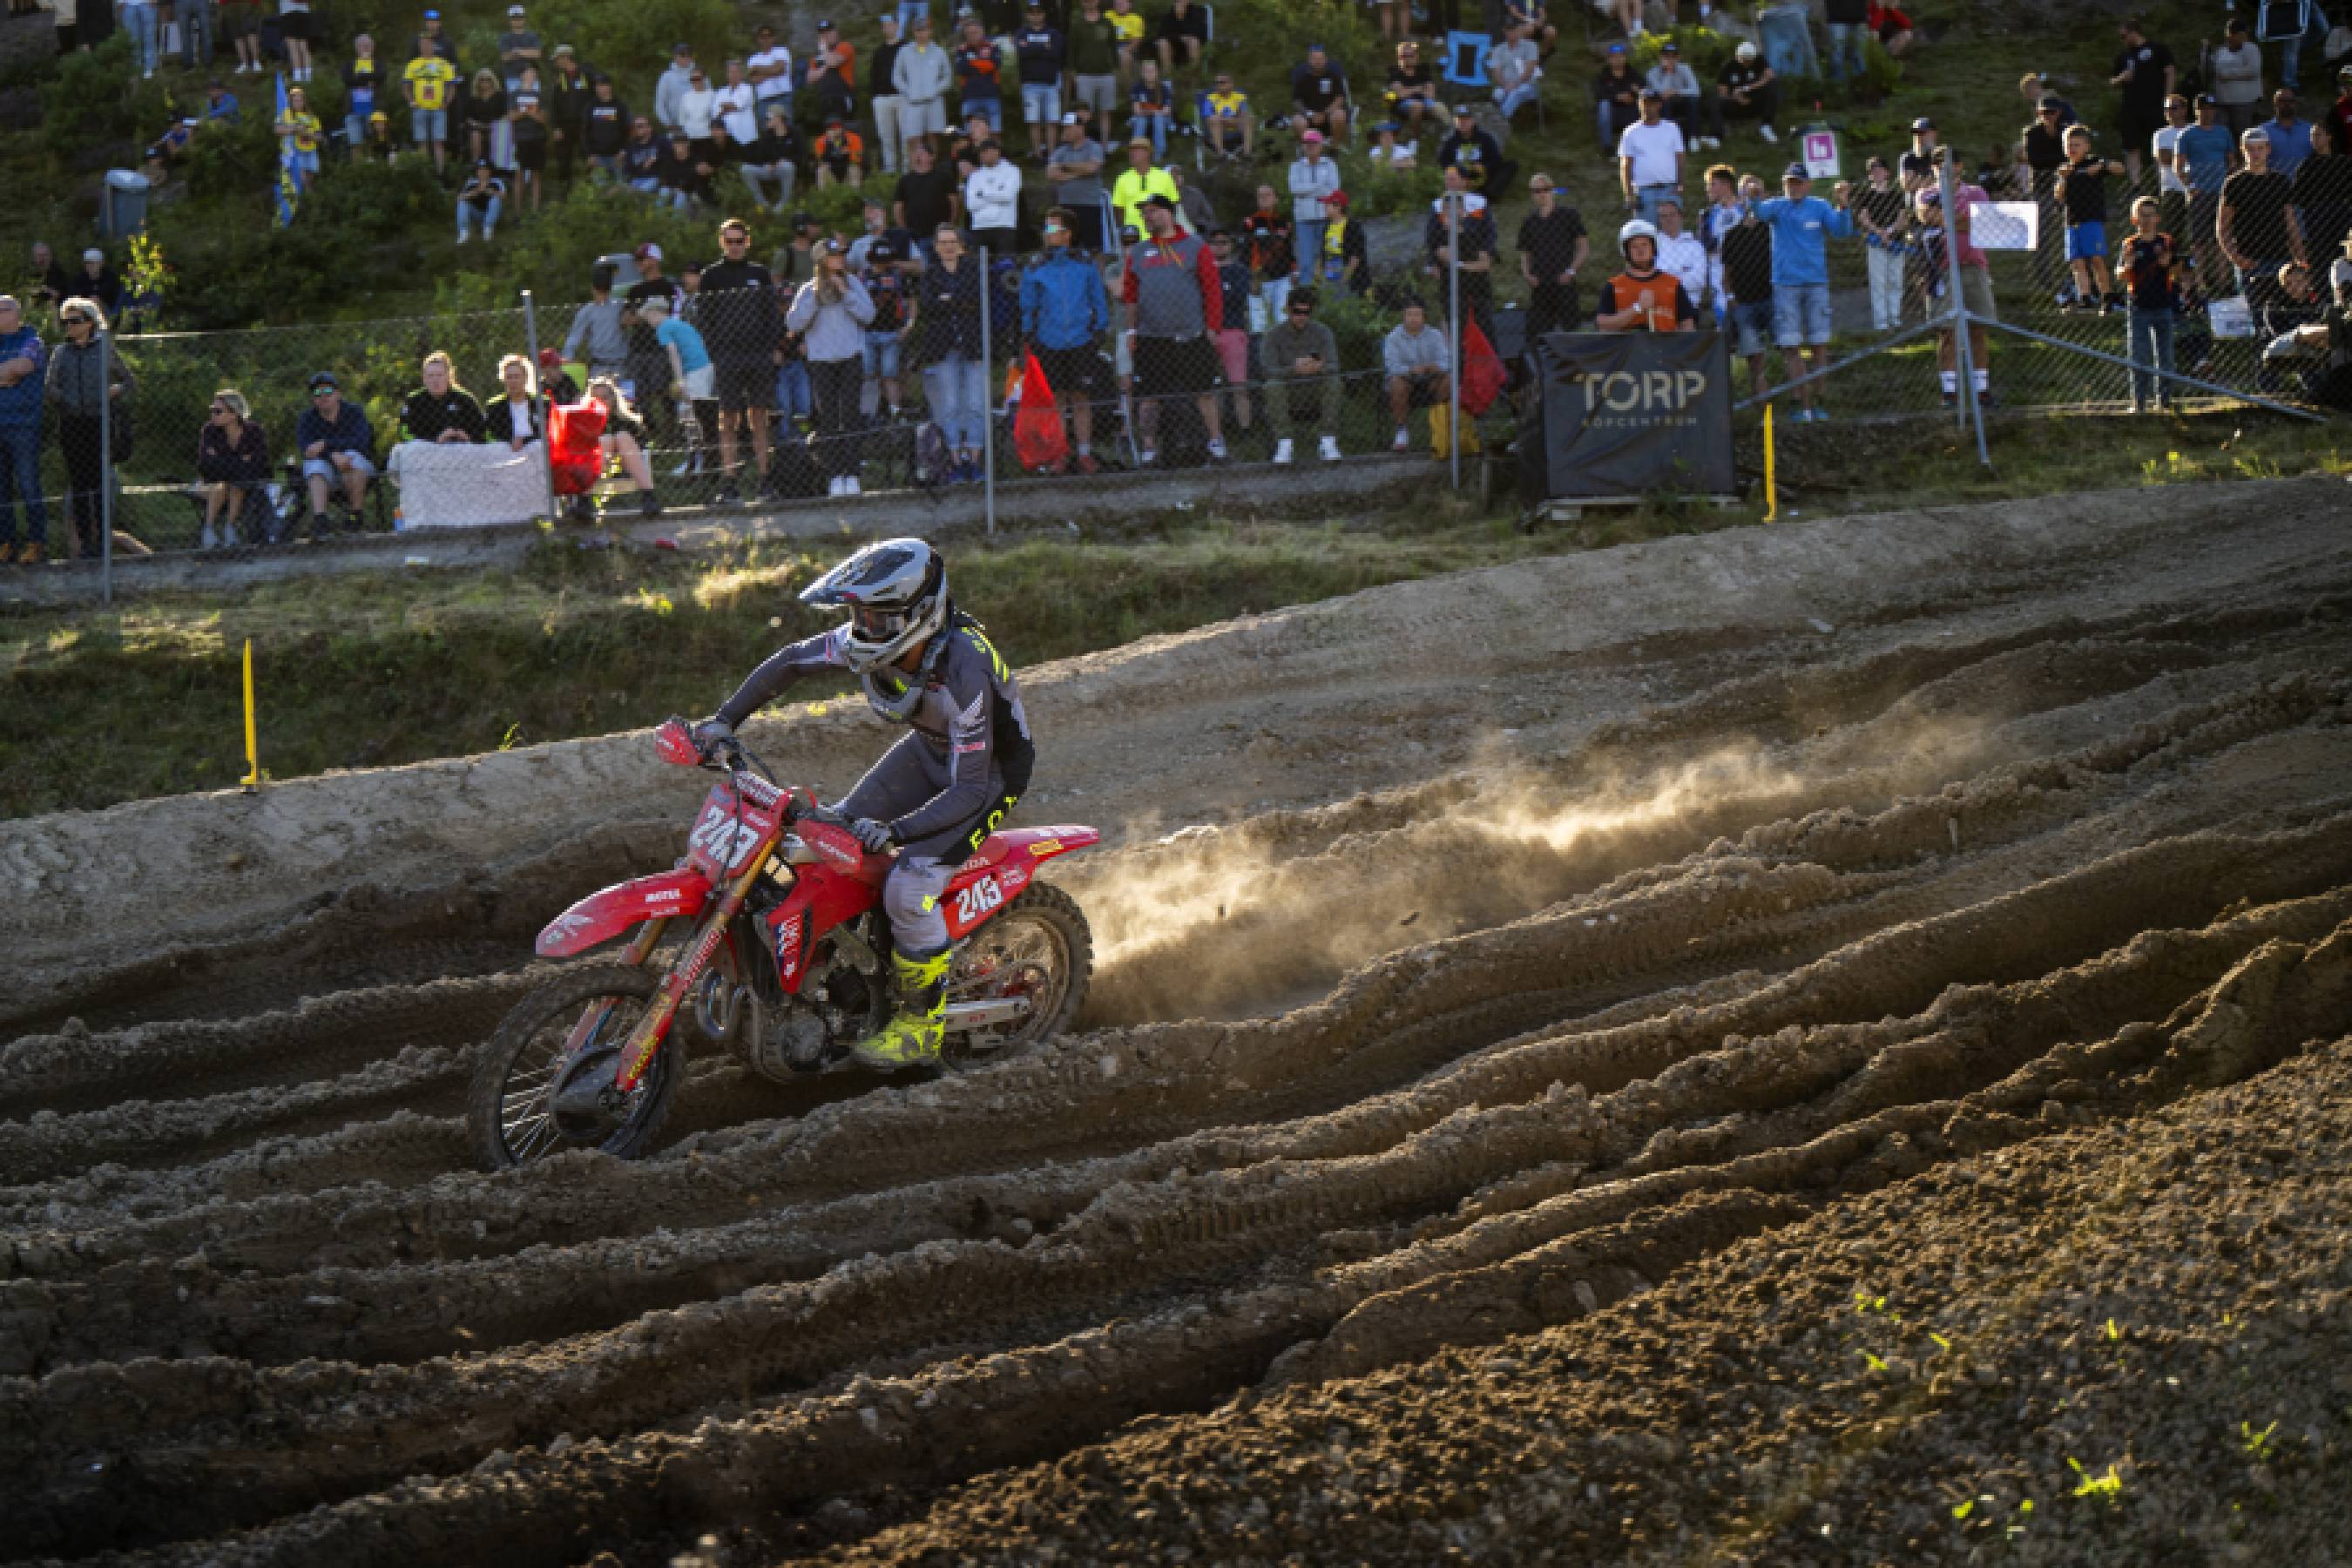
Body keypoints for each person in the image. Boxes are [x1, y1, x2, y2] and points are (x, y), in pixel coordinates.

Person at [693, 538, 1033, 1068]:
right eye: (858, 615)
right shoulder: (876, 638)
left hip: (988, 776)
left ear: (917, 615)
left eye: (877, 618)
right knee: (836, 841)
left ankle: (921, 1026)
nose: (863, 628)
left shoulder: (965, 670)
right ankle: (854, 974)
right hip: (930, 750)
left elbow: (968, 790)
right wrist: (723, 720)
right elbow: (790, 663)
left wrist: (897, 832)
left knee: (908, 885)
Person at [1123, 193, 1227, 465]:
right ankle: (1149, 449)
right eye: (1144, 212)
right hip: (1150, 337)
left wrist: (1213, 326)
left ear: (1170, 213)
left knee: (1204, 391)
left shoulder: (1195, 247)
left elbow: (1212, 289)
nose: (1148, 216)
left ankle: (1216, 443)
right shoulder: (1138, 252)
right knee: (1149, 397)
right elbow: (1131, 296)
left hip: (1191, 334)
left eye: (1153, 211)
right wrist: (1131, 332)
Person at [1750, 164, 1856, 421]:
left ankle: (1819, 400)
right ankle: (1800, 401)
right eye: (1789, 183)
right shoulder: (1777, 206)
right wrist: (1754, 195)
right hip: (1785, 285)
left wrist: (1843, 206)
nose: (1794, 187)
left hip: (1816, 284)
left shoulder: (1819, 206)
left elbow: (1842, 231)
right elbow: (1759, 212)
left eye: (1798, 182)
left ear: (1808, 185)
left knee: (1818, 343)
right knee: (1790, 345)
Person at [1022, 207, 1112, 471]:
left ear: (1067, 233)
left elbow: (1098, 298)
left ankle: (1085, 452)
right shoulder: (1036, 266)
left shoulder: (1085, 264)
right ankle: (1059, 452)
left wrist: (1099, 329)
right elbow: (1029, 303)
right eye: (1046, 228)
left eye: (1052, 228)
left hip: (1081, 338)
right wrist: (1030, 333)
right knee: (1058, 399)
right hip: (1049, 340)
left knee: (1081, 396)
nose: (1046, 234)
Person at [700, 217, 785, 497]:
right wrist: (715, 351)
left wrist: (775, 347)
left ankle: (765, 478)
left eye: (739, 241)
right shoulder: (710, 276)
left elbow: (772, 312)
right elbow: (705, 318)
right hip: (727, 356)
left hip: (758, 355)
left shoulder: (759, 273)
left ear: (747, 242)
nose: (735, 246)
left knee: (759, 417)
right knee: (728, 420)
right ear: (722, 242)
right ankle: (729, 482)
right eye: (729, 241)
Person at [786, 240, 875, 497]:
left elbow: (869, 315)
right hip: (821, 361)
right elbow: (793, 322)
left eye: (842, 255)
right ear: (822, 260)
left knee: (850, 415)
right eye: (835, 256)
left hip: (850, 358)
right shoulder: (808, 289)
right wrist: (814, 299)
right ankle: (836, 474)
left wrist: (845, 293)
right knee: (828, 417)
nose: (840, 260)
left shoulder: (853, 283)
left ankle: (852, 473)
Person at [43, 300, 131, 559]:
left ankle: (103, 540)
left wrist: (113, 392)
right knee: (79, 485)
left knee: (100, 484)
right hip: (71, 424)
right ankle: (86, 545)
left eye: (75, 320)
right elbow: (50, 387)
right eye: (66, 321)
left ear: (90, 322)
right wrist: (69, 401)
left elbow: (128, 381)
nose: (69, 326)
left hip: (99, 422)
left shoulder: (104, 350)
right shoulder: (61, 352)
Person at [914, 227, 987, 483]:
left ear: (960, 245)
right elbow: (929, 307)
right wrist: (957, 302)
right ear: (935, 246)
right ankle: (956, 461)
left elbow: (979, 302)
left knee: (977, 404)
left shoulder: (974, 270)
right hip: (944, 347)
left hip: (973, 345)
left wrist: (948, 300)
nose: (948, 247)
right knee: (951, 405)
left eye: (952, 242)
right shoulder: (930, 274)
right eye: (943, 242)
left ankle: (975, 461)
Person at [2220, 127, 2308, 312]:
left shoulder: (2281, 180)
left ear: (2268, 149)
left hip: (2281, 258)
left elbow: (2290, 221)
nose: (2255, 153)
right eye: (2250, 149)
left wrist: (2300, 255)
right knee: (2255, 314)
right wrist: (2236, 257)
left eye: (2260, 148)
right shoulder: (2234, 183)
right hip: (2250, 259)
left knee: (2284, 311)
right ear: (2243, 151)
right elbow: (2223, 227)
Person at [1254, 285, 1341, 465]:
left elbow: (1334, 365)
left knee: (1334, 382)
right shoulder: (1273, 335)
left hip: (1315, 388)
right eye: (1297, 312)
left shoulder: (1323, 332)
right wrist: (1294, 369)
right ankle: (1285, 442)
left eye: (1306, 312)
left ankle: (1328, 440)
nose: (1301, 317)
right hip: (1288, 391)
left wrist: (1317, 368)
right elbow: (1267, 370)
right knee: (1272, 386)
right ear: (1288, 309)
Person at [2113, 195, 2180, 413]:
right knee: (2139, 355)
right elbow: (2120, 274)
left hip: (2163, 304)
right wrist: (2128, 266)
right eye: (2142, 215)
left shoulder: (2166, 242)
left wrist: (2169, 265)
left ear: (2158, 218)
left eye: (2151, 215)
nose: (2147, 219)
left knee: (2166, 356)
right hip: (2139, 305)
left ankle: (2164, 401)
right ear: (2134, 219)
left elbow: (2178, 269)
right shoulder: (2130, 244)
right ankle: (2139, 402)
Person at [2056, 127, 2128, 312]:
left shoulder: (2093, 162)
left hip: (2091, 220)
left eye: (2077, 145)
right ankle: (2085, 296)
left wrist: (2102, 165)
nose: (2072, 149)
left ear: (2086, 146)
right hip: (2072, 221)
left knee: (2096, 259)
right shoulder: (2065, 169)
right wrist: (2064, 179)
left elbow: (2120, 169)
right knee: (2077, 262)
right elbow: (2058, 195)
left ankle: (2107, 295)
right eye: (2069, 145)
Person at [2175, 93, 2240, 293]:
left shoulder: (2223, 133)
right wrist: (2191, 186)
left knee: (2222, 236)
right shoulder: (2187, 134)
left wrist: (2231, 182)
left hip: (2222, 192)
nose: (2208, 112)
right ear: (2197, 110)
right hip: (2200, 193)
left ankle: (2223, 281)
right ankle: (2202, 281)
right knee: (2200, 240)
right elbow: (2179, 165)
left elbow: (2231, 159)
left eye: (2211, 109)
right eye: (2204, 108)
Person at [294, 368, 373, 531]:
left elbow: (361, 442)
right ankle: (320, 520)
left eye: (328, 391)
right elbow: (306, 449)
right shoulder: (306, 419)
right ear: (313, 399)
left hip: (355, 470)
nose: (323, 396)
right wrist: (332, 454)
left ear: (338, 394)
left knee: (353, 457)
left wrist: (325, 444)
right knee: (315, 466)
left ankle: (355, 516)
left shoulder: (354, 412)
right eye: (317, 393)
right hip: (326, 471)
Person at [0, 296, 47, 565]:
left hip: (23, 426)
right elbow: (11, 373)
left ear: (14, 314)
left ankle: (36, 543)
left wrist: (12, 373)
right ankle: (6, 543)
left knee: (28, 486)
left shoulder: (32, 340)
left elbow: (22, 367)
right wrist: (6, 376)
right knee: (1, 490)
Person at [1720, 176, 1775, 396]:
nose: (1751, 198)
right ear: (1739, 199)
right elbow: (1726, 273)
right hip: (1744, 302)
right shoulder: (1732, 235)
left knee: (1788, 349)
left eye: (1757, 193)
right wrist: (1731, 297)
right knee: (1755, 358)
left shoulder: (1773, 231)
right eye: (1747, 194)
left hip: (1772, 299)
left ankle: (1796, 403)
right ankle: (1763, 407)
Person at [194, 389, 270, 551]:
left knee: (237, 484)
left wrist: (222, 461)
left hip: (240, 483)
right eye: (212, 410)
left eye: (218, 411)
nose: (213, 415)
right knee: (222, 485)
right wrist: (240, 461)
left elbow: (260, 463)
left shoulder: (253, 431)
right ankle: (208, 530)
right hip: (208, 483)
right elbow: (206, 465)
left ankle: (230, 529)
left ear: (234, 414)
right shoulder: (209, 431)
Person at [1427, 170, 1497, 340]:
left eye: (1452, 179)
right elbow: (1439, 250)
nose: (1448, 182)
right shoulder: (1437, 221)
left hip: (1478, 287)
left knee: (1484, 328)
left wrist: (1460, 264)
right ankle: (1459, 364)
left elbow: (1485, 260)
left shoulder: (1479, 207)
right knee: (1457, 331)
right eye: (1446, 179)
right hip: (1451, 287)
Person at [1517, 173, 1589, 336]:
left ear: (1552, 191)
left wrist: (1571, 271)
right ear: (1532, 195)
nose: (1542, 194)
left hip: (1564, 282)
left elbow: (1583, 247)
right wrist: (1527, 274)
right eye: (1537, 191)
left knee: (1573, 332)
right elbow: (1525, 252)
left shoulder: (1569, 216)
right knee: (1536, 334)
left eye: (1545, 189)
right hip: (1540, 284)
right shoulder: (1529, 221)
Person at [1594, 219, 1697, 332]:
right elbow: (1603, 326)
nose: (1640, 250)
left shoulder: (1673, 284)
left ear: (1653, 248)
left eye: (1644, 244)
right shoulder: (1614, 286)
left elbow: (1687, 325)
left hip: (1665, 348)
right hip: (1627, 349)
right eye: (1634, 246)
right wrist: (1637, 308)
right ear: (1626, 252)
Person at [578, 379, 663, 516]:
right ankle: (583, 500)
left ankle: (649, 497)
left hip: (627, 465)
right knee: (606, 440)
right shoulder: (583, 422)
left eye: (605, 398)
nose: (601, 402)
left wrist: (617, 443)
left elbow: (641, 445)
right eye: (596, 398)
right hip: (597, 465)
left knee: (622, 436)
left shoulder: (628, 421)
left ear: (614, 399)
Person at [2112, 17, 2176, 188]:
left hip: (2155, 105)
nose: (2123, 40)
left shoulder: (2157, 49)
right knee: (2132, 146)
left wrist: (2168, 97)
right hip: (2131, 107)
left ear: (2134, 32)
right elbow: (2112, 81)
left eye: (2124, 36)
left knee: (2158, 144)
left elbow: (2170, 71)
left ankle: (2162, 183)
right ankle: (2136, 185)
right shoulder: (2123, 56)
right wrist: (2121, 78)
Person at [1382, 298, 1450, 451]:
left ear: (1424, 317)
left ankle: (1440, 429)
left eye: (1417, 314)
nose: (1413, 318)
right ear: (1404, 317)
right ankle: (1401, 431)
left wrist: (1436, 367)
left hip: (1431, 380)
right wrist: (1411, 370)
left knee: (1449, 380)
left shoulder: (1435, 335)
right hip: (1407, 380)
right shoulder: (1393, 337)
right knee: (1395, 383)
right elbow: (1391, 366)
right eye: (1409, 314)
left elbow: (1447, 362)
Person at [1853, 155, 1909, 329]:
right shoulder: (1865, 195)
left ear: (1887, 173)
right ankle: (1881, 322)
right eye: (1873, 170)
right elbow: (1864, 219)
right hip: (1875, 242)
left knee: (1896, 279)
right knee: (1878, 282)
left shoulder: (1897, 195)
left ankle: (1895, 316)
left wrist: (1890, 232)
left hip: (1896, 243)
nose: (1876, 172)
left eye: (1879, 169)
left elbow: (1903, 219)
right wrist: (1880, 233)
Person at [1619, 89, 1686, 227]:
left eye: (1652, 104)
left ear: (1659, 105)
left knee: (1672, 234)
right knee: (1647, 234)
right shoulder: (1630, 131)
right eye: (1644, 104)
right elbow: (1626, 165)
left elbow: (1680, 158)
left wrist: (1680, 184)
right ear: (1639, 105)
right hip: (1644, 192)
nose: (1648, 108)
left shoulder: (1672, 128)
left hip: (1669, 189)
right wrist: (1629, 194)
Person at [895, 14, 953, 163]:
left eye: (924, 30)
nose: (921, 34)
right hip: (913, 102)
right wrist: (909, 91)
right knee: (913, 137)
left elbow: (947, 76)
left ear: (930, 31)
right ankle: (917, 168)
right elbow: (897, 77)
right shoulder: (904, 51)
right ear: (914, 32)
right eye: (918, 31)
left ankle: (931, 167)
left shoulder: (939, 52)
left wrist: (936, 89)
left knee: (933, 136)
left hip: (934, 101)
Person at [1046, 112, 1109, 250]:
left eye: (1069, 128)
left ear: (1080, 128)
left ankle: (1096, 272)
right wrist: (1079, 173)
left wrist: (1065, 167)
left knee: (1094, 248)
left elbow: (1092, 168)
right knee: (1063, 246)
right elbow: (1051, 174)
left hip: (1089, 205)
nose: (1065, 131)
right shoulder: (1060, 151)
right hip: (1064, 206)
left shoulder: (1094, 147)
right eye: (1064, 128)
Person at [2293, 118, 2352, 263]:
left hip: (2342, 212)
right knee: (2321, 254)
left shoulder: (2343, 162)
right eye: (2312, 135)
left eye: (2318, 135)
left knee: (2343, 252)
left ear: (2329, 137)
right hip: (2317, 214)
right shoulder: (2306, 165)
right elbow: (2298, 193)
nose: (2314, 139)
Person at [1646, 40, 1719, 151]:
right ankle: (1669, 139)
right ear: (1661, 57)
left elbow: (1696, 90)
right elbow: (1662, 93)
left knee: (1693, 100)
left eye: (1673, 56)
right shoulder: (1652, 73)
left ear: (1678, 57)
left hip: (1682, 101)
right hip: (1664, 105)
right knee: (1665, 101)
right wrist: (1668, 73)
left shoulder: (1685, 69)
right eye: (1666, 56)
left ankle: (1693, 137)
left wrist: (1676, 91)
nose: (1670, 60)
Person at [400, 351, 485, 443]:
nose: (435, 380)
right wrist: (436, 439)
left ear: (448, 376)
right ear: (424, 378)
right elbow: (404, 433)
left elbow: (482, 432)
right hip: (424, 451)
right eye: (430, 376)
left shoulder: (465, 399)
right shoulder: (413, 401)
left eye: (439, 375)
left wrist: (468, 437)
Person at [1288, 130, 1341, 273]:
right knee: (1305, 261)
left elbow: (1333, 191)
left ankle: (1330, 291)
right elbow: (1294, 189)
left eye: (1314, 143)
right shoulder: (1295, 166)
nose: (1310, 146)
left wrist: (1306, 191)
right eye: (1307, 143)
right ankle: (1307, 291)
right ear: (1303, 146)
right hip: (1303, 220)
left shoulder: (1330, 165)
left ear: (1321, 145)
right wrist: (1319, 188)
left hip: (1326, 218)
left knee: (1329, 257)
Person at [1438, 103, 1512, 198]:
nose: (1463, 123)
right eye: (1459, 120)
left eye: (1466, 119)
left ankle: (1489, 193)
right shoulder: (1450, 142)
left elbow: (1496, 158)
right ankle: (1463, 193)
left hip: (1483, 175)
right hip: (1461, 177)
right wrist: (1456, 170)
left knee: (1510, 165)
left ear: (1473, 121)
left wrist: (1484, 167)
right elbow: (1443, 161)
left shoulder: (1485, 138)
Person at [1243, 186, 1295, 319]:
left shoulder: (1284, 222)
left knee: (1282, 319)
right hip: (1260, 278)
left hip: (1283, 277)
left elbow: (1290, 249)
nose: (1264, 198)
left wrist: (1294, 272)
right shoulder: (1251, 222)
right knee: (1259, 322)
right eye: (1260, 196)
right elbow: (1246, 251)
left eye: (1268, 195)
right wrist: (1250, 278)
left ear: (1275, 199)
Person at [963, 139, 1023, 256]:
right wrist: (996, 194)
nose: (982, 155)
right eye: (981, 152)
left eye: (985, 151)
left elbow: (1007, 196)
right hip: (979, 227)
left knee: (1005, 267)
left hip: (1004, 226)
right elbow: (971, 205)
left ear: (997, 152)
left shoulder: (1012, 171)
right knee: (980, 268)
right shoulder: (974, 176)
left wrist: (983, 194)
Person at [1066, 0, 1120, 128]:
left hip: (1106, 75)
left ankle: (1105, 147)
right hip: (1084, 75)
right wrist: (1072, 72)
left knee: (1106, 113)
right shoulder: (1077, 25)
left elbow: (1113, 48)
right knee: (1082, 114)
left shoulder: (1107, 23)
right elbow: (1071, 51)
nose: (1089, 3)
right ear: (1082, 3)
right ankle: (1083, 146)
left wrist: (1116, 70)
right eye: (1086, 1)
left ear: (1097, 1)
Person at [739, 105, 801, 213]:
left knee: (787, 166)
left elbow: (801, 155)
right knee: (745, 169)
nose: (766, 120)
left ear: (778, 118)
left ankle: (784, 204)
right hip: (770, 170)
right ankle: (763, 206)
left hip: (785, 169)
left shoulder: (795, 133)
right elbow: (759, 156)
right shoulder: (767, 135)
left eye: (769, 118)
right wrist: (767, 163)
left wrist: (785, 160)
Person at [1116, 136, 1182, 238]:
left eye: (1136, 150)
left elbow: (1173, 205)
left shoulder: (1164, 177)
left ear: (1147, 153)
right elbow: (1119, 209)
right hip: (1133, 237)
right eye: (1130, 151)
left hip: (1160, 235)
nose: (1132, 153)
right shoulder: (1122, 179)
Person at [2210, 18, 2266, 140]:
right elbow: (2212, 68)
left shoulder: (2252, 49)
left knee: (2242, 134)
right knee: (2220, 132)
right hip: (2221, 101)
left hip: (2244, 102)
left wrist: (2227, 74)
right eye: (2233, 34)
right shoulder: (2221, 51)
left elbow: (2253, 70)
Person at [1652, 194, 1708, 314]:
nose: (1668, 219)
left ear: (1680, 217)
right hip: (1660, 308)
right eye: (1663, 216)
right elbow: (1651, 281)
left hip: (1689, 306)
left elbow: (1699, 281)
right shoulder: (1653, 246)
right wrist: (1682, 273)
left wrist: (1666, 277)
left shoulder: (1695, 246)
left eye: (1672, 215)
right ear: (1659, 220)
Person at [1716, 40, 1780, 145]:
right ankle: (1718, 134)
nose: (1747, 63)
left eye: (1749, 61)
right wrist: (1736, 97)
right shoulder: (1727, 67)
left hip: (1755, 99)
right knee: (1718, 101)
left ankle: (1766, 125)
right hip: (1736, 103)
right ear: (1737, 57)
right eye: (1744, 60)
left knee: (1773, 84)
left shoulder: (1759, 60)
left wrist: (1747, 88)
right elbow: (1723, 93)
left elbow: (1770, 76)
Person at [954, 14, 1004, 134]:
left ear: (982, 31)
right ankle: (971, 154)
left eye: (976, 32)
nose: (973, 35)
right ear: (966, 33)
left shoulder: (993, 47)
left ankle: (995, 153)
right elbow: (961, 68)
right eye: (970, 33)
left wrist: (972, 64)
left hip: (991, 95)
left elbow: (995, 64)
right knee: (969, 133)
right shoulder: (961, 50)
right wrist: (983, 65)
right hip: (969, 97)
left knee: (994, 131)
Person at [1290, 44, 1349, 144]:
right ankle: (1309, 149)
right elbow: (1296, 101)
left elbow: (1340, 98)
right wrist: (1308, 114)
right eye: (1314, 59)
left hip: (1329, 115)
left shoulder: (1333, 76)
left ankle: (1333, 148)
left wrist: (1324, 114)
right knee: (1297, 120)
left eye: (1320, 59)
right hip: (1308, 116)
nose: (1318, 62)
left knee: (1340, 115)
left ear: (1326, 60)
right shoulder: (1302, 79)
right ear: (1309, 61)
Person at [509, 69, 550, 211]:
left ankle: (535, 212)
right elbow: (511, 117)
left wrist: (527, 112)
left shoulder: (540, 96)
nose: (532, 76)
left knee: (536, 176)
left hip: (538, 138)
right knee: (519, 176)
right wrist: (528, 112)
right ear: (522, 75)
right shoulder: (514, 95)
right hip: (520, 139)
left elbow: (544, 119)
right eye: (529, 73)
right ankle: (517, 213)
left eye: (534, 74)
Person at [805, 19, 857, 128]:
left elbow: (833, 62)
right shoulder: (816, 57)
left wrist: (824, 51)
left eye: (828, 32)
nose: (825, 36)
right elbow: (810, 78)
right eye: (822, 34)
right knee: (829, 134)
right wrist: (825, 66)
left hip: (842, 97)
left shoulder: (844, 46)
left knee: (846, 131)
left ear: (835, 32)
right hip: (825, 99)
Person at [1489, 23, 1543, 125]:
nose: (1511, 33)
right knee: (1498, 94)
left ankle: (1498, 123)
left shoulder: (1531, 46)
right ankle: (1500, 122)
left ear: (1520, 30)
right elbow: (1497, 71)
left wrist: (1515, 84)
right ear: (1504, 31)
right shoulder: (1498, 49)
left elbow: (1530, 69)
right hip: (1505, 85)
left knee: (1515, 94)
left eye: (1514, 30)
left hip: (1527, 85)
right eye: (1508, 30)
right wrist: (1505, 85)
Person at [1593, 43, 1641, 155]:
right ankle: (1608, 148)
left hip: (1632, 111)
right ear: (1609, 59)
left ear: (1625, 58)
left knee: (1646, 103)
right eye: (1614, 57)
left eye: (1620, 56)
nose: (1618, 59)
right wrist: (1617, 97)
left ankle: (1641, 145)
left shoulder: (1633, 73)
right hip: (1612, 113)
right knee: (1603, 105)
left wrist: (1634, 95)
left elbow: (1644, 88)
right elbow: (1598, 94)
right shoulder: (1603, 76)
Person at [1387, 40, 1440, 137]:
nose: (1409, 58)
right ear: (1400, 57)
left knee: (1441, 109)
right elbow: (1400, 95)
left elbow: (1431, 94)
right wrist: (1418, 89)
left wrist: (1409, 90)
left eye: (1412, 54)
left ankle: (1450, 137)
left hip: (1425, 102)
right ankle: (1415, 138)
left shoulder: (1423, 71)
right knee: (1417, 106)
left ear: (1417, 56)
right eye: (1405, 55)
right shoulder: (1395, 73)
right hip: (1401, 105)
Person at [2260, 90, 2316, 178]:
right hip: (2274, 185)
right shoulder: (2262, 131)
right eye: (2282, 101)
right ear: (2275, 104)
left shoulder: (2310, 129)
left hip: (2305, 184)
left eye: (2291, 101)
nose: (2287, 104)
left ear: (2296, 104)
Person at [341, 36, 384, 151]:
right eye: (362, 46)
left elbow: (380, 77)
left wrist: (359, 77)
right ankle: (357, 168)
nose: (365, 48)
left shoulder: (377, 64)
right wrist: (368, 81)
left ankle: (371, 166)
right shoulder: (350, 64)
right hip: (353, 110)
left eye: (368, 46)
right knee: (355, 144)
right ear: (356, 48)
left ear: (373, 48)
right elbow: (347, 79)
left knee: (373, 141)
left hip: (374, 110)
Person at [1128, 56, 1174, 159]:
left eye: (1152, 70)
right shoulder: (1137, 88)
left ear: (1157, 72)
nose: (1150, 73)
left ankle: (1159, 152)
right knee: (1141, 120)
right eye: (1147, 71)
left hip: (1161, 118)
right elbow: (1136, 110)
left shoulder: (1164, 88)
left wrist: (1150, 110)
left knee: (1158, 118)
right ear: (1142, 73)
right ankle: (1136, 152)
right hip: (1142, 117)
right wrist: (1155, 110)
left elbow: (1167, 111)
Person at [275, 84, 322, 186]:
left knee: (310, 179)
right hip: (295, 150)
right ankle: (300, 198)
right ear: (291, 102)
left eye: (300, 100)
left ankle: (309, 199)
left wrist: (307, 134)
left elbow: (319, 136)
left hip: (311, 150)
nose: (298, 103)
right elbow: (277, 129)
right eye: (295, 101)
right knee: (301, 179)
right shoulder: (286, 113)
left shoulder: (312, 116)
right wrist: (294, 128)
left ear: (304, 101)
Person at [816, 118, 866, 188]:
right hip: (831, 171)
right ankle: (824, 197)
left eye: (837, 127)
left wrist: (848, 151)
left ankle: (855, 196)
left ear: (842, 128)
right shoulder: (820, 141)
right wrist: (830, 143)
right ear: (827, 130)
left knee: (854, 169)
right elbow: (820, 160)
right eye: (831, 128)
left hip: (848, 169)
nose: (835, 130)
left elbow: (858, 159)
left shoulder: (854, 138)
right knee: (821, 170)